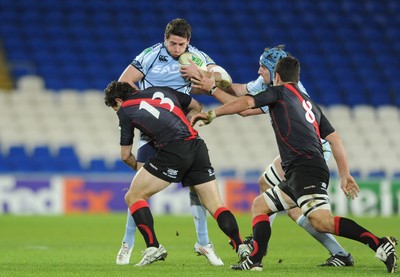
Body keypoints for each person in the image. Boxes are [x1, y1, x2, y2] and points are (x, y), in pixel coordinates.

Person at [190, 56, 398, 273]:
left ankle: (379, 243)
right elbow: (334, 138)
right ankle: (255, 260)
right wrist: (345, 174)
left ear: (277, 76)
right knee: (260, 205)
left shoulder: (278, 92)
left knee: (321, 221)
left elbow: (246, 103)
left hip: (305, 167)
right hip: (302, 168)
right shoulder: (309, 103)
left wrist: (213, 112)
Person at [202, 45, 354, 266]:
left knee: (300, 212)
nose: (258, 72)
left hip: (309, 151)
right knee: (268, 186)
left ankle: (258, 249)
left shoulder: (284, 90)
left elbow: (244, 109)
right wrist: (215, 83)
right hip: (298, 151)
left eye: (262, 67)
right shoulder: (270, 82)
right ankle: (336, 253)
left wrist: (211, 90)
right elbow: (242, 90)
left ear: (275, 73)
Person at [116, 18, 231, 266]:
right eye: (172, 43)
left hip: (179, 130)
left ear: (188, 42)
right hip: (152, 129)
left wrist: (200, 74)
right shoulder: (151, 54)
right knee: (138, 189)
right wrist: (149, 105)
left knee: (197, 186)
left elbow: (223, 78)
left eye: (181, 44)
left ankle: (204, 242)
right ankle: (128, 243)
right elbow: (125, 81)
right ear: (164, 39)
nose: (176, 48)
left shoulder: (197, 58)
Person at [104, 81, 249, 266]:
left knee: (133, 196)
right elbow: (196, 106)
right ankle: (241, 246)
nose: (118, 111)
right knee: (215, 205)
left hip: (173, 150)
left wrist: (148, 171)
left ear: (118, 100)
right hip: (196, 145)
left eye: (115, 108)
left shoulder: (125, 109)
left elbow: (125, 155)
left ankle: (153, 247)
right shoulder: (161, 90)